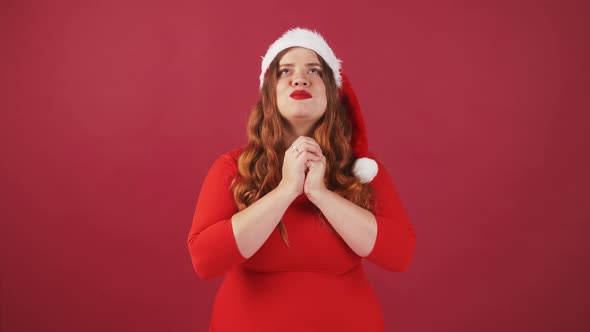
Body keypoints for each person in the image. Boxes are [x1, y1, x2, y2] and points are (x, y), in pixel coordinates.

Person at [187, 27, 416, 332]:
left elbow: (399, 255)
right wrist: (286, 190)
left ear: (331, 93)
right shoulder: (232, 168)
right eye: (285, 71)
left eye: (314, 70)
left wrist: (320, 193)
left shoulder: (362, 171)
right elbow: (206, 261)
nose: (300, 79)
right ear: (269, 92)